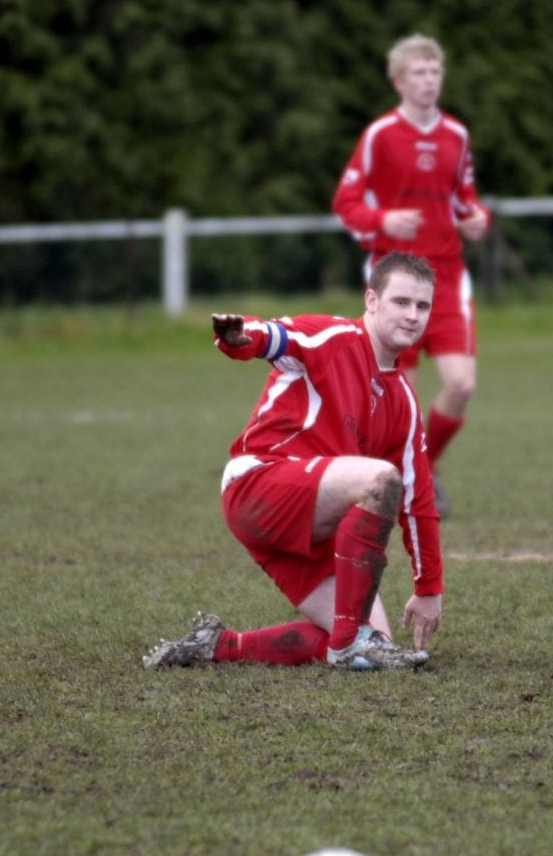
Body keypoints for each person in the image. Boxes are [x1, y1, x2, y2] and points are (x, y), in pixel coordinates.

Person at [143, 252, 443, 672]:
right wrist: (236, 337)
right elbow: (272, 336)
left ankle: (218, 645)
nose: (412, 315)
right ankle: (350, 640)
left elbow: (418, 500)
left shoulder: (405, 404)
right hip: (259, 485)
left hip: (311, 525)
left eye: (422, 306)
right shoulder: (332, 336)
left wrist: (429, 587)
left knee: (377, 644)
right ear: (371, 300)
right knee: (380, 479)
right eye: (401, 302)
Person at [332, 33, 491, 518]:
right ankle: (399, 483)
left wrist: (476, 219)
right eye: (419, 73)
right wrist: (383, 222)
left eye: (435, 72)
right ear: (399, 81)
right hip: (395, 279)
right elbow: (347, 203)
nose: (428, 81)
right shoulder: (381, 135)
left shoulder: (456, 136)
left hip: (445, 275)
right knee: (404, 402)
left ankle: (427, 466)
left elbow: (465, 198)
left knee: (462, 384)